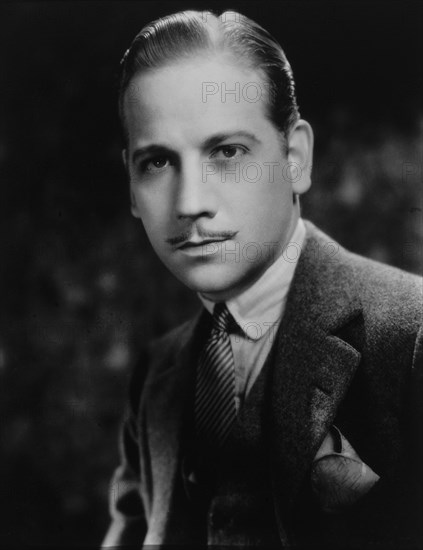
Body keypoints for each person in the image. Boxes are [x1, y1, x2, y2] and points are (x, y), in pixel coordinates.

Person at [102, 9, 422, 549]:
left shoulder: (410, 339)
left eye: (227, 152)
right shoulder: (156, 376)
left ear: (295, 157)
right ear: (132, 187)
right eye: (157, 162)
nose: (191, 204)